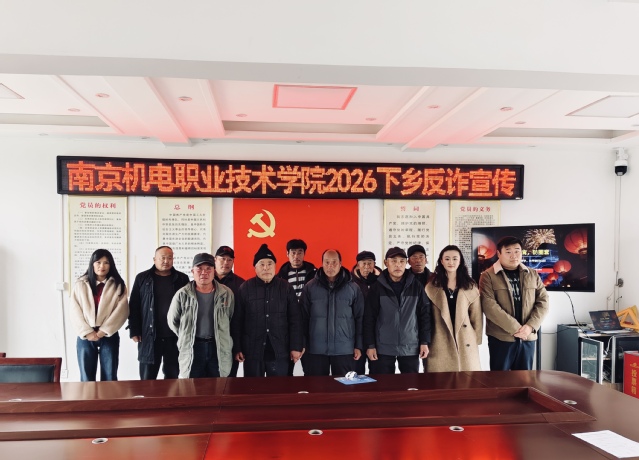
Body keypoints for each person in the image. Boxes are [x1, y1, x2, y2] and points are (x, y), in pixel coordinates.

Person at [479, 236, 549, 371]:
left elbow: (543, 301)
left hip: (527, 336)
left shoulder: (532, 274)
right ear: (499, 253)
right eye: (508, 252)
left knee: (525, 378)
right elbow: (489, 306)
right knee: (500, 378)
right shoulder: (488, 276)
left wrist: (530, 326)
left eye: (517, 251)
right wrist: (516, 329)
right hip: (501, 338)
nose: (514, 255)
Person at [232, 244, 303, 377]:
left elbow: (295, 320)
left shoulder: (286, 288)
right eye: (262, 264)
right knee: (253, 388)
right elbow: (237, 321)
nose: (266, 268)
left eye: (270, 264)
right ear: (255, 267)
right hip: (252, 351)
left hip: (281, 350)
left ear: (275, 266)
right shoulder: (245, 288)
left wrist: (296, 346)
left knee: (280, 388)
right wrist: (237, 348)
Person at [363, 247, 431, 374]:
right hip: (382, 347)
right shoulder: (377, 287)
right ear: (386, 263)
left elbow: (425, 315)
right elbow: (369, 318)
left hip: (410, 346)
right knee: (383, 384)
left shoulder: (416, 286)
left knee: (410, 384)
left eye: (401, 261)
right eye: (393, 261)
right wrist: (370, 345)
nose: (398, 265)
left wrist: (424, 341)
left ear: (406, 263)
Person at [167, 253, 234, 378]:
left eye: (208, 268)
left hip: (218, 346)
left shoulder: (226, 293)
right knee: (192, 385)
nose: (204, 272)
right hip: (193, 347)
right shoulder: (182, 294)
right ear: (192, 271)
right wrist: (186, 334)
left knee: (218, 384)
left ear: (214, 271)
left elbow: (230, 317)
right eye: (199, 269)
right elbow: (173, 321)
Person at [127, 246, 189, 380]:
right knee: (147, 378)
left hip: (174, 336)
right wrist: (134, 330)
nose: (166, 261)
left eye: (169, 258)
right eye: (163, 258)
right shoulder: (142, 278)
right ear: (154, 259)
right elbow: (134, 306)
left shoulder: (182, 279)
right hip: (149, 336)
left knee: (172, 376)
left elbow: (188, 308)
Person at [301, 250, 364, 376]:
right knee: (315, 386)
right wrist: (302, 345)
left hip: (344, 349)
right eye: (327, 262)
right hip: (316, 349)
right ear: (322, 264)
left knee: (344, 386)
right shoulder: (310, 287)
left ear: (340, 263)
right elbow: (303, 318)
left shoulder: (353, 288)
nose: (330, 266)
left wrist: (359, 345)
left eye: (334, 262)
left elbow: (360, 318)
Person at [70, 249, 128, 381]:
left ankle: (108, 397)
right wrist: (87, 332)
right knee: (86, 377)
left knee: (110, 376)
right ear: (92, 263)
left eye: (106, 262)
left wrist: (104, 331)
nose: (102, 266)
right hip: (86, 336)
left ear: (111, 265)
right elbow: (74, 310)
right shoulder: (80, 284)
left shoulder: (118, 285)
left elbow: (122, 310)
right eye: (98, 262)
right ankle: (89, 397)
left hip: (109, 335)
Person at [424, 245, 483, 372]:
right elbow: (426, 316)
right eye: (447, 259)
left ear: (460, 261)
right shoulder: (432, 285)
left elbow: (476, 316)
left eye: (455, 258)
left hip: (465, 339)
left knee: (467, 379)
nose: (451, 262)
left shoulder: (470, 285)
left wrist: (475, 339)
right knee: (440, 380)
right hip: (439, 338)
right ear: (441, 261)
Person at [214, 245, 246, 377]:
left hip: (230, 342)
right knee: (207, 383)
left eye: (229, 260)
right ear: (215, 259)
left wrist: (238, 347)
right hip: (207, 341)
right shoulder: (205, 281)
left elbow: (243, 318)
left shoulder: (241, 284)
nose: (226, 263)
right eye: (222, 259)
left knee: (229, 381)